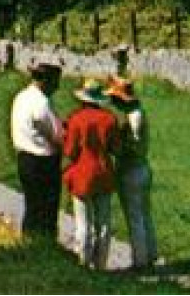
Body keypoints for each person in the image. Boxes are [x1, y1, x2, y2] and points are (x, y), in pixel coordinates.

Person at [62, 78, 121, 270]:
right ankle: (101, 263)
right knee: (103, 223)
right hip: (103, 171)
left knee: (83, 223)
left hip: (82, 173)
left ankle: (84, 262)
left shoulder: (76, 119)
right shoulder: (110, 119)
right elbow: (116, 148)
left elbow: (70, 151)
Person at [10, 61, 64, 239]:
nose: (57, 87)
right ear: (46, 80)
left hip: (24, 157)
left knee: (32, 206)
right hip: (43, 161)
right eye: (55, 82)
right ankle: (45, 245)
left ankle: (29, 242)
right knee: (46, 210)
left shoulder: (21, 97)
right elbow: (57, 136)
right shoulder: (41, 103)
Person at [109, 76, 157, 269]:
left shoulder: (133, 118)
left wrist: (115, 147)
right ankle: (150, 253)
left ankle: (140, 261)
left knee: (135, 217)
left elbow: (132, 146)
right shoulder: (135, 113)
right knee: (144, 214)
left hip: (131, 169)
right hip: (141, 168)